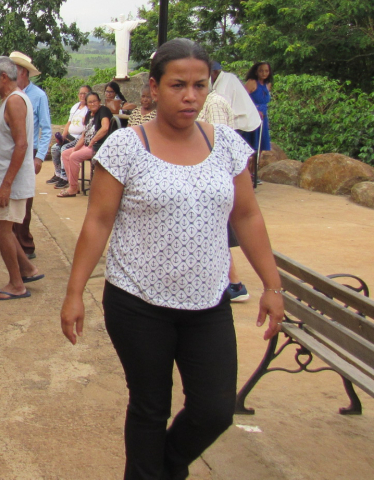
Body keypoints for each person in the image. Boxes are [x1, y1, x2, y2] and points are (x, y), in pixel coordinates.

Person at [59, 38, 284, 480]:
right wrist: (74, 293)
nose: (190, 96)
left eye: (200, 85)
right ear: (155, 88)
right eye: (178, 85)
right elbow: (98, 222)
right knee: (150, 406)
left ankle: (165, 467)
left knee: (214, 409)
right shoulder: (126, 147)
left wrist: (272, 286)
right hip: (137, 301)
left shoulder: (227, 147)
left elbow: (248, 216)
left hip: (208, 302)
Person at [0, 56, 43, 300]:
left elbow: (21, 145)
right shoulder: (10, 100)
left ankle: (17, 284)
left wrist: (6, 185)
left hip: (12, 181)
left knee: (3, 229)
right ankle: (27, 269)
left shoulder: (15, 102)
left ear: (3, 77)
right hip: (4, 180)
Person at [197, 76, 250, 303]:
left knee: (217, 233)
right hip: (205, 179)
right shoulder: (205, 102)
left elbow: (217, 141)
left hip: (213, 180)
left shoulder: (215, 102)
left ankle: (235, 284)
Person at [57, 92, 114, 197]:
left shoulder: (103, 110)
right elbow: (84, 135)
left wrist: (93, 141)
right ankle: (73, 185)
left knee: (74, 157)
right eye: (90, 102)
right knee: (66, 153)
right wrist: (76, 148)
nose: (93, 104)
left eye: (94, 101)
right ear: (87, 105)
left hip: (99, 146)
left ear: (99, 101)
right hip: (87, 145)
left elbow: (105, 127)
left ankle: (73, 188)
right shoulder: (88, 115)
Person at [48, 84, 90, 188]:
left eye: (85, 93)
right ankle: (58, 174)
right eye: (80, 93)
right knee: (54, 148)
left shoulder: (89, 108)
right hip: (70, 136)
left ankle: (65, 177)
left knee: (64, 149)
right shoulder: (75, 107)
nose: (82, 95)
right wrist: (62, 137)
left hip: (79, 138)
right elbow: (68, 123)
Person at [242, 62, 273, 182]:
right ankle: (245, 174)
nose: (264, 73)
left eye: (266, 71)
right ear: (256, 71)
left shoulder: (267, 85)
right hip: (252, 117)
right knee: (250, 146)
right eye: (261, 71)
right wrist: (255, 109)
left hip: (263, 118)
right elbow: (243, 99)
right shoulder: (251, 83)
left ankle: (254, 174)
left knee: (260, 147)